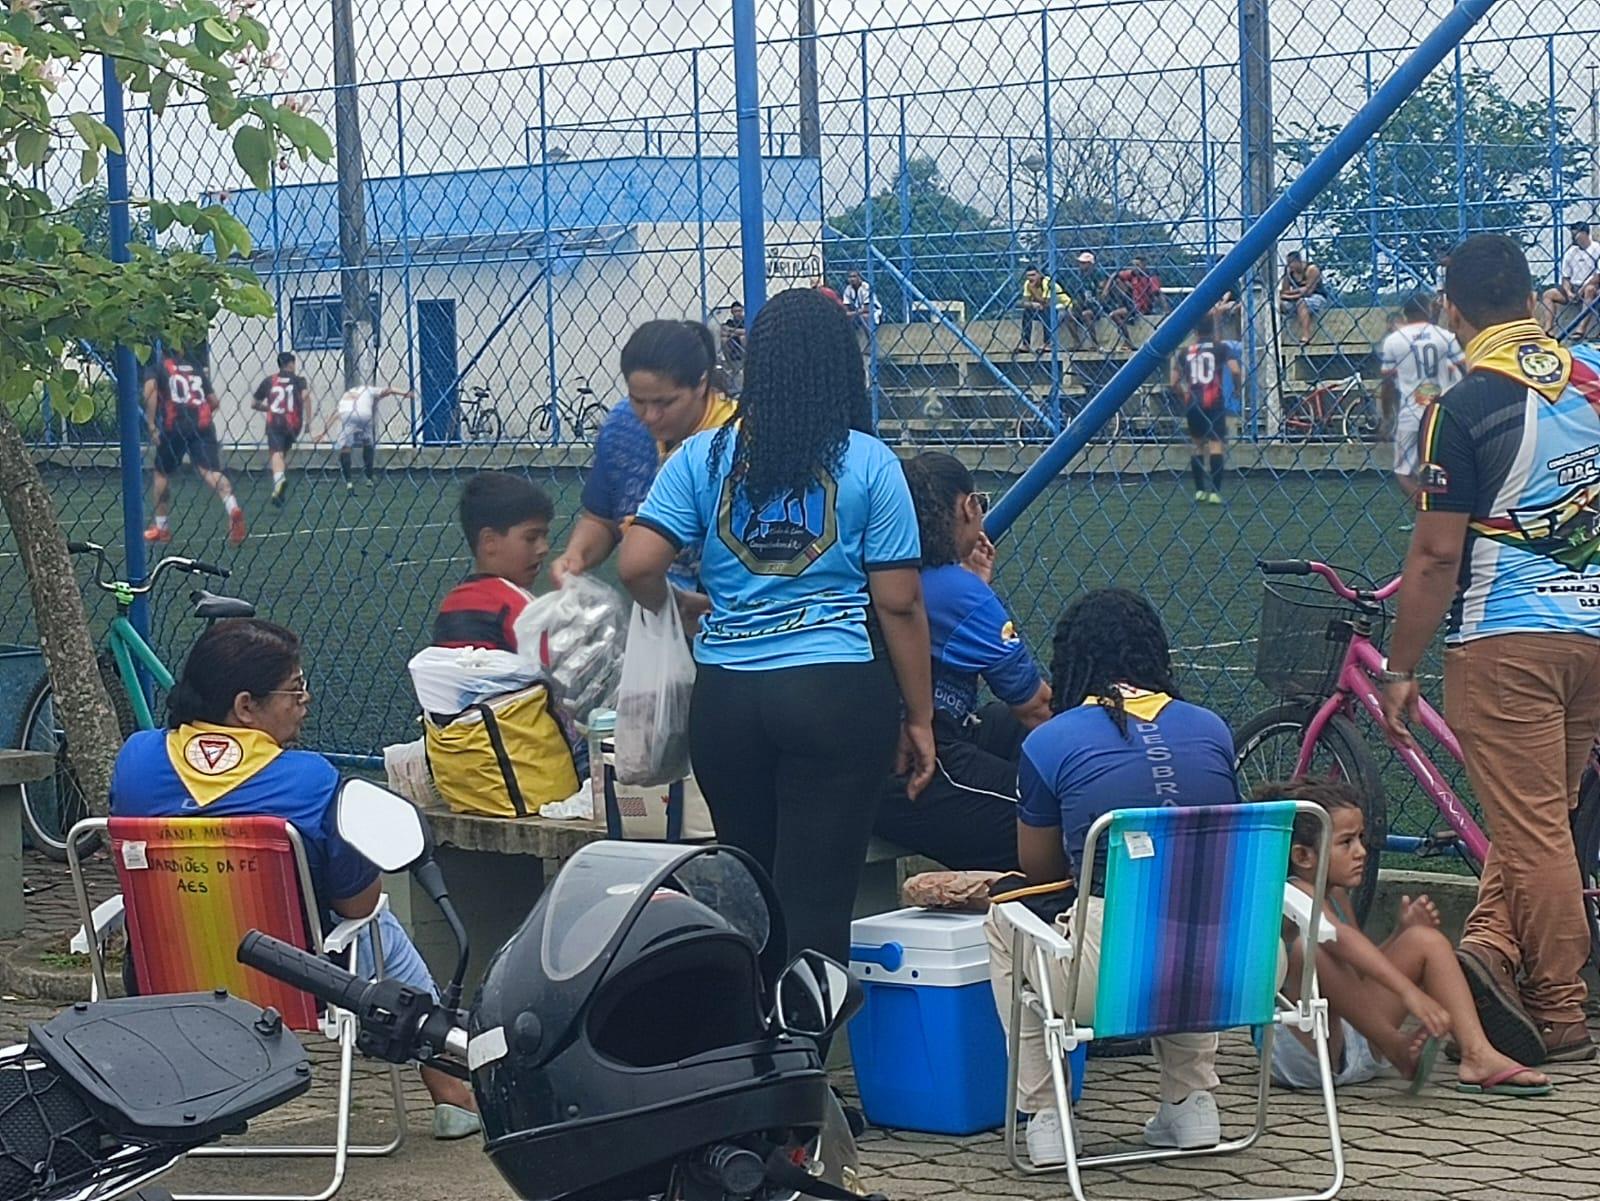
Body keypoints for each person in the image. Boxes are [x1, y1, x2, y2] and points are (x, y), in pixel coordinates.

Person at [618, 286, 936, 970]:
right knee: (816, 900)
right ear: (839, 366)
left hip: (727, 695)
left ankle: (746, 1059)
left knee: (748, 893)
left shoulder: (702, 457)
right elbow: (900, 602)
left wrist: (688, 607)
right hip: (833, 689)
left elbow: (638, 563)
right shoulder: (869, 461)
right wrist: (920, 716)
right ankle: (802, 1068)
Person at [108, 618, 482, 1139]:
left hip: (164, 973)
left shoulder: (136, 762)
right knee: (379, 927)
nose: (304, 699)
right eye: (295, 688)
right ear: (245, 706)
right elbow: (358, 906)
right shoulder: (310, 782)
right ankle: (452, 1088)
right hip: (291, 980)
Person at [1381, 232, 1600, 1066]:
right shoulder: (1591, 377)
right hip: (1592, 634)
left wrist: (1401, 668)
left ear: (1453, 309)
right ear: (1535, 294)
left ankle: (1560, 1008)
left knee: (1536, 827)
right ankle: (1489, 951)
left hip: (1506, 637)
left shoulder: (1462, 402)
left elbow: (1436, 553)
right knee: (1535, 816)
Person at [986, 588, 1238, 1167]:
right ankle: (1193, 1099)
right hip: (1240, 968)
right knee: (1190, 901)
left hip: (1106, 978)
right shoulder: (1213, 728)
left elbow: (1043, 874)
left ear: (1073, 661)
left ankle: (1046, 1115)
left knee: (1009, 919)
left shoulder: (1051, 739)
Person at [1259, 777, 1550, 1097]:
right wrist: (1409, 993)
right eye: (1347, 842)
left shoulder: (1337, 893)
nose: (1361, 851)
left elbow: (1353, 977)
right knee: (1308, 949)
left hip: (1355, 1040)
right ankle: (1395, 1044)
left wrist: (1401, 934)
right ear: (1303, 856)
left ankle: (1478, 1055)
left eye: (1361, 838)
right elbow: (1338, 941)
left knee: (1425, 940)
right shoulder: (1292, 891)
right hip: (1304, 1055)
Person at [874, 453, 1052, 872]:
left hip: (871, 749)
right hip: (918, 763)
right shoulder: (956, 591)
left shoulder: (898, 573)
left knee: (1001, 728)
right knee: (1049, 816)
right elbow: (1036, 708)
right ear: (969, 506)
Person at [411, 473, 581, 817]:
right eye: (531, 537)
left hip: (464, 774)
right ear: (489, 541)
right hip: (524, 769)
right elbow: (565, 680)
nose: (543, 548)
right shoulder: (517, 606)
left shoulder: (454, 601)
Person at [549, 320, 737, 623]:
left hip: (726, 622)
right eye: (639, 401)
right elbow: (602, 517)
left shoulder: (735, 438)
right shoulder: (623, 425)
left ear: (701, 385)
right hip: (658, 613)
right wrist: (576, 557)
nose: (650, 416)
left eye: (665, 402)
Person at [143, 343, 246, 547]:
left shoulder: (157, 369)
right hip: (203, 424)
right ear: (181, 349)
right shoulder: (195, 369)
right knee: (210, 471)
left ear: (161, 351)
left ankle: (162, 527)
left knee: (161, 473)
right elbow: (214, 401)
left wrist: (152, 423)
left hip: (175, 425)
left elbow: (150, 392)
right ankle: (232, 506)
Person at [1378, 293, 1464, 502]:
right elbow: (1466, 370)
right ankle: (1451, 510)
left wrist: (1387, 415)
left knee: (1404, 472)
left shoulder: (1394, 340)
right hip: (1445, 412)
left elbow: (1388, 383)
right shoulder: (1445, 336)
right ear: (1428, 309)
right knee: (1448, 468)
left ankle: (1427, 510)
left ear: (1406, 315)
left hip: (1412, 411)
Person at [1172, 313, 1239, 505]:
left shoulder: (1185, 352)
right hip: (1214, 401)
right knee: (1216, 443)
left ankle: (1200, 490)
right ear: (1212, 329)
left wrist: (1183, 394)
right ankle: (1215, 492)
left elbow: (1174, 381)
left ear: (1194, 331)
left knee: (1197, 444)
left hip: (1193, 401)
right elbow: (1235, 370)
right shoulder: (1221, 348)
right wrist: (1237, 388)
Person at [321, 381, 410, 492]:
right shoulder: (369, 389)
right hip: (364, 415)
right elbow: (390, 390)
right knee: (367, 443)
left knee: (346, 448)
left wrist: (323, 432)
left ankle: (349, 482)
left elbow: (335, 414)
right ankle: (369, 478)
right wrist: (406, 393)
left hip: (346, 415)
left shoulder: (347, 394)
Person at [251, 351, 312, 507]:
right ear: (291, 364)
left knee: (276, 454)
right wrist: (308, 422)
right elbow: (306, 396)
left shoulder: (269, 381)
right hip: (294, 423)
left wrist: (270, 408)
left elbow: (254, 404)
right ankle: (278, 488)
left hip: (275, 421)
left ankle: (279, 482)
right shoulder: (299, 380)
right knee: (282, 453)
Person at [1539, 220, 1600, 340]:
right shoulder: (1571, 252)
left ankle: (1581, 329)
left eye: (1576, 234)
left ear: (1584, 233)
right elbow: (1565, 277)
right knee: (1548, 294)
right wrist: (1568, 292)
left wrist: (1583, 288)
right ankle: (1548, 330)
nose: (1573, 237)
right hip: (1574, 286)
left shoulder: (1597, 249)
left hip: (1592, 286)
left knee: (1590, 290)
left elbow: (1598, 276)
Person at [1104, 255, 1166, 350]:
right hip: (1133, 303)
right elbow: (1115, 275)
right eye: (1133, 265)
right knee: (1118, 282)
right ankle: (1127, 316)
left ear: (1144, 265)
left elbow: (1157, 293)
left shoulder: (1151, 276)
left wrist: (1165, 309)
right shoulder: (1133, 274)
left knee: (1114, 315)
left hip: (1143, 306)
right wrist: (1106, 289)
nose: (1135, 267)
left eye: (1137, 265)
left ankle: (1127, 341)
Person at [1279, 250, 1330, 343]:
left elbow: (1308, 292)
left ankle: (1306, 335)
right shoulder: (1289, 273)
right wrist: (1299, 291)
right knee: (1280, 304)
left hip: (1316, 297)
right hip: (1295, 300)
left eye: (1291, 263)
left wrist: (1289, 295)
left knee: (1302, 302)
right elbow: (1284, 291)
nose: (1290, 266)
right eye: (1288, 264)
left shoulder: (1311, 269)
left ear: (1298, 261)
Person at [1016, 265, 1067, 354]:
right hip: (1044, 307)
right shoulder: (1028, 284)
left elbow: (1047, 303)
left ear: (1039, 275)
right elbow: (1023, 303)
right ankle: (1026, 344)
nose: (1031, 278)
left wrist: (1033, 292)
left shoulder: (1047, 282)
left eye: (1033, 275)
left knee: (1047, 312)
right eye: (1028, 275)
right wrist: (1032, 304)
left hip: (1062, 306)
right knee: (1027, 313)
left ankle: (1047, 343)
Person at [1062, 252, 1106, 350]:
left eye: (1084, 263)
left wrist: (1099, 292)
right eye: (1080, 262)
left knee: (1086, 314)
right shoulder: (1079, 275)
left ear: (1090, 264)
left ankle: (1095, 343)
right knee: (1068, 316)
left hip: (1095, 305)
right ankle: (1077, 343)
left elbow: (1101, 290)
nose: (1080, 265)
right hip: (1084, 303)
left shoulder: (1097, 273)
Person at [842, 269, 880, 337]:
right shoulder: (848, 289)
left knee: (865, 316)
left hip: (874, 311)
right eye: (850, 277)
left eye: (854, 276)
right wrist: (848, 313)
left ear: (859, 277)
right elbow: (845, 308)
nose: (852, 279)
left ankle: (871, 340)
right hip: (858, 312)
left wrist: (851, 313)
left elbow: (867, 309)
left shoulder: (865, 287)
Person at [720, 300, 746, 396]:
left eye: (739, 311)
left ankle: (746, 358)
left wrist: (732, 332)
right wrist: (737, 331)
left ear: (742, 310)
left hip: (744, 346)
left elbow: (746, 331)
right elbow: (724, 331)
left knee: (743, 337)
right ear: (732, 312)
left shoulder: (746, 320)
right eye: (735, 311)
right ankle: (729, 362)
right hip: (733, 349)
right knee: (724, 339)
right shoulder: (730, 322)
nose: (737, 314)